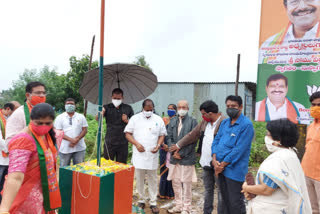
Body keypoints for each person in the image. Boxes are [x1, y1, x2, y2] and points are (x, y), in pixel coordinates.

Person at [0, 103, 61, 213]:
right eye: (39, 123)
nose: (44, 126)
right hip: (26, 199)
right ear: (31, 119)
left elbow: (53, 163)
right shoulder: (23, 140)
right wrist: (4, 209)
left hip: (43, 194)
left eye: (48, 123)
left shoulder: (47, 136)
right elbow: (15, 176)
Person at [242, 119, 312, 213]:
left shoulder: (278, 159)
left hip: (271, 209)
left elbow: (266, 189)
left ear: (278, 139)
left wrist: (246, 187)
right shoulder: (291, 154)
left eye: (268, 134)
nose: (266, 137)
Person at [170, 100, 225, 214]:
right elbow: (192, 135)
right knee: (208, 190)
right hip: (206, 162)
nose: (202, 116)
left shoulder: (224, 122)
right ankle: (207, 212)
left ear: (210, 113)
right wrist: (177, 145)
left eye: (203, 114)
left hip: (218, 164)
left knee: (221, 191)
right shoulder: (205, 123)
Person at [211, 95, 254, 214]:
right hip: (219, 168)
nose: (230, 108)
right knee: (222, 200)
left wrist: (222, 165)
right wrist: (214, 159)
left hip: (234, 171)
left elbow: (239, 150)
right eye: (228, 106)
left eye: (233, 106)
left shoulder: (246, 125)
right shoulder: (224, 123)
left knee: (235, 202)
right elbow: (216, 140)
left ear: (240, 107)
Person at [124, 99, 166, 214]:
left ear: (153, 108)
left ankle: (153, 202)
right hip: (139, 154)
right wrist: (136, 144)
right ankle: (141, 199)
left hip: (152, 154)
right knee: (139, 178)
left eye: (151, 109)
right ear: (143, 108)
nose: (149, 111)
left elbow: (162, 135)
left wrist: (158, 145)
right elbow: (127, 134)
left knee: (152, 179)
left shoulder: (158, 119)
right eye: (147, 109)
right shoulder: (135, 118)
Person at [165, 100, 197, 214]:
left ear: (187, 108)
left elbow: (193, 140)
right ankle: (178, 205)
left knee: (187, 183)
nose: (181, 109)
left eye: (183, 107)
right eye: (179, 107)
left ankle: (186, 207)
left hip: (186, 158)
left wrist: (181, 153)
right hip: (174, 157)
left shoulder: (193, 121)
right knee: (176, 182)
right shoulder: (173, 121)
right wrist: (173, 150)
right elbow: (168, 137)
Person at [96, 88, 134, 164]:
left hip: (123, 142)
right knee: (107, 164)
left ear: (122, 98)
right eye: (115, 98)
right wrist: (101, 113)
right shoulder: (106, 107)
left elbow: (134, 124)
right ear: (111, 97)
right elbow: (97, 119)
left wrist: (127, 121)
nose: (116, 100)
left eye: (118, 98)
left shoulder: (128, 108)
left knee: (121, 165)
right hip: (109, 142)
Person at [54, 98, 88, 167]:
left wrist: (77, 139)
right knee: (64, 169)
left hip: (79, 148)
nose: (69, 105)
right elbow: (58, 132)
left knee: (79, 169)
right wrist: (72, 140)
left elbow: (85, 130)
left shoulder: (81, 117)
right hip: (65, 148)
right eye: (68, 104)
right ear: (65, 105)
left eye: (72, 104)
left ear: (75, 106)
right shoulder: (60, 117)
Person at [301, 91, 320, 213]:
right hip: (306, 174)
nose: (316, 108)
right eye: (313, 105)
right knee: (312, 209)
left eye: (319, 104)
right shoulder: (311, 126)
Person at [158, 104, 176, 200]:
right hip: (163, 150)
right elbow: (159, 134)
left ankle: (170, 193)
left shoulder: (177, 122)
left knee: (171, 172)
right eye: (168, 109)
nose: (170, 110)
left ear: (175, 111)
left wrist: (170, 147)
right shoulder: (163, 120)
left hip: (172, 150)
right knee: (163, 172)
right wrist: (162, 145)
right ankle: (162, 192)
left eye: (172, 109)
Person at [0, 103, 15, 203]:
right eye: (13, 112)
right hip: (2, 156)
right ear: (8, 109)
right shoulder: (1, 120)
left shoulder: (8, 119)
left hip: (9, 157)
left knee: (6, 182)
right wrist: (8, 149)